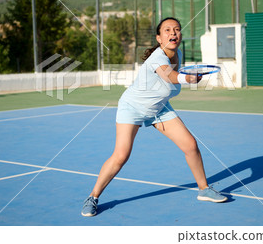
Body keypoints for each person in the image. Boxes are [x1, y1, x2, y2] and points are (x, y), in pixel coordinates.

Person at [81, 17, 227, 217]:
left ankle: (204, 189)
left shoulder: (179, 54)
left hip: (159, 108)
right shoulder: (157, 58)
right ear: (159, 38)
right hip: (132, 107)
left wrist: (184, 77)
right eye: (167, 30)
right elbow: (169, 75)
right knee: (121, 156)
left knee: (191, 145)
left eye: (176, 29)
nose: (173, 33)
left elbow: (171, 79)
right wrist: (187, 78)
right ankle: (93, 197)